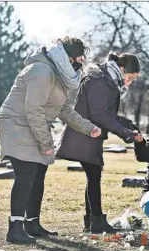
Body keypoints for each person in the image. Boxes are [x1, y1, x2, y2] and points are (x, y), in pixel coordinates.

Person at [0, 36, 102, 244]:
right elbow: (32, 109)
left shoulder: (61, 76)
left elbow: (64, 110)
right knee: (26, 173)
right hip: (16, 123)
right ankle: (15, 228)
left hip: (32, 123)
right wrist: (45, 144)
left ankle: (32, 224)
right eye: (79, 59)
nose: (80, 63)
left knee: (38, 173)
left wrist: (88, 128)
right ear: (68, 57)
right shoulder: (42, 71)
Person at [56, 52, 141, 234]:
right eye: (130, 77)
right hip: (84, 133)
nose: (130, 82)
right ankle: (96, 222)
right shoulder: (99, 80)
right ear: (122, 69)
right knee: (94, 176)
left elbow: (107, 115)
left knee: (93, 176)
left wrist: (129, 126)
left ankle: (92, 222)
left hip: (90, 134)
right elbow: (99, 115)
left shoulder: (106, 80)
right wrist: (126, 133)